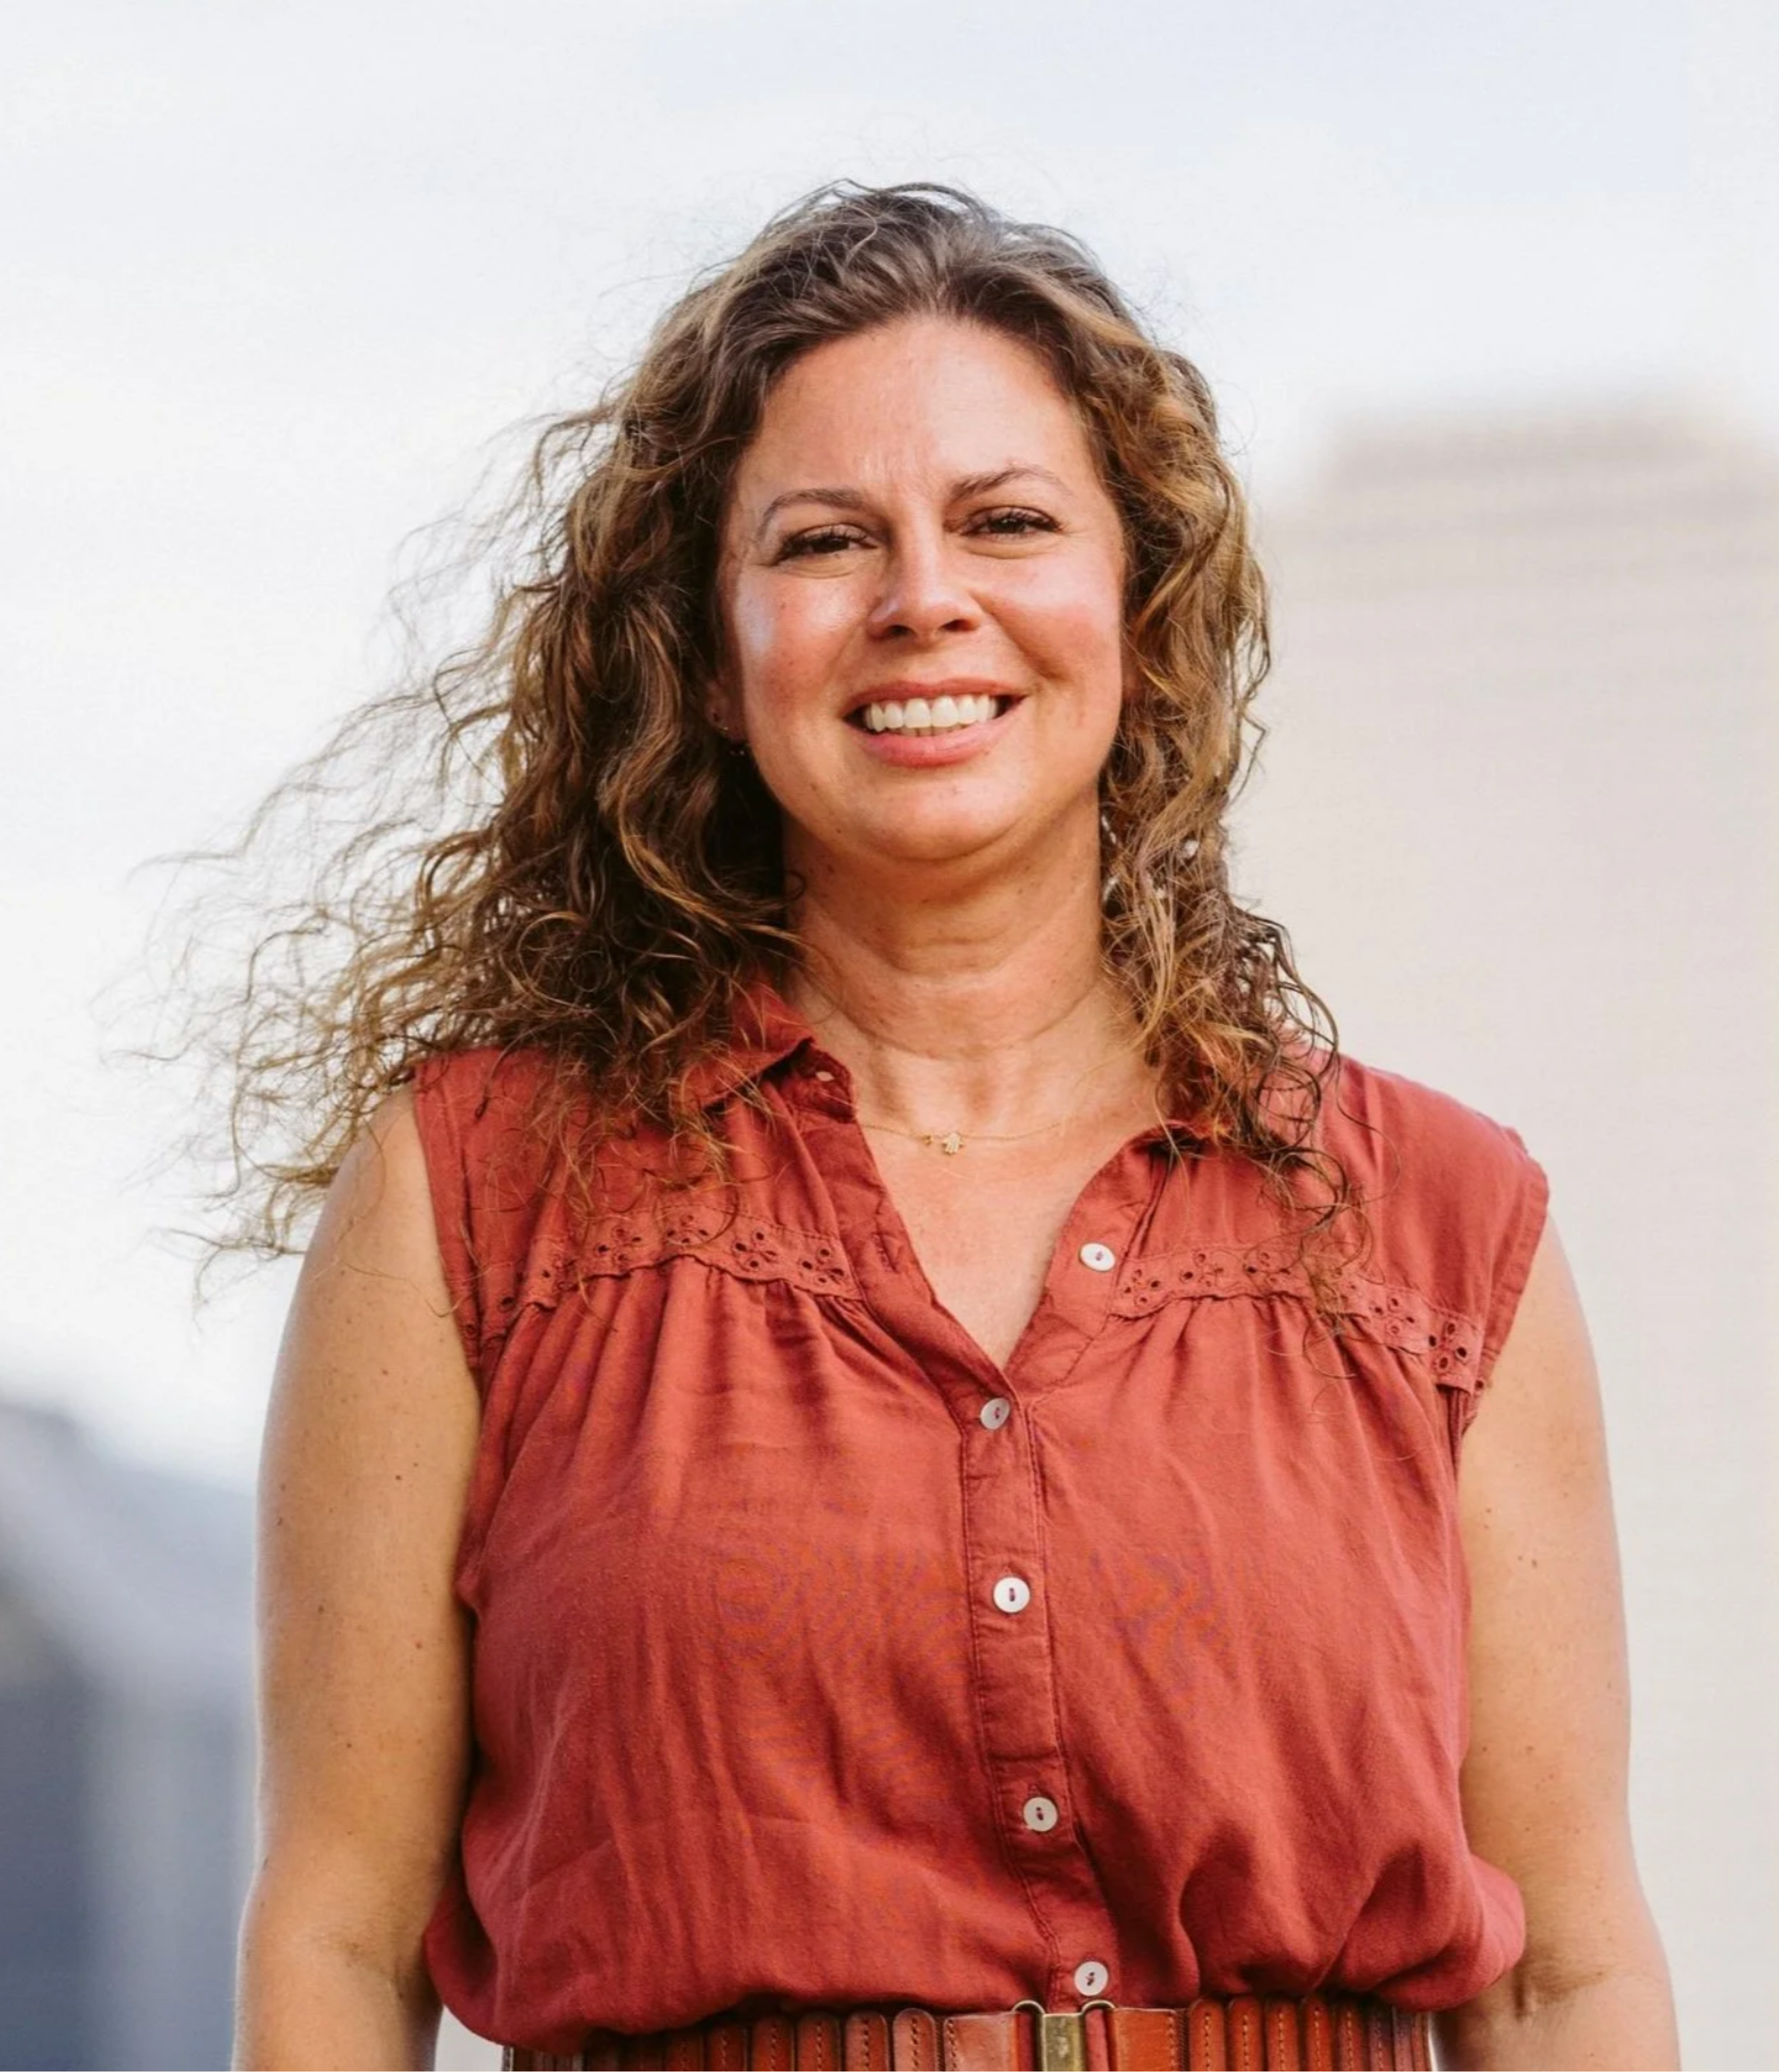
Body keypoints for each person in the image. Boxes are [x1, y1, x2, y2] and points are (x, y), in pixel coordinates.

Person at [230, 185, 1678, 2071]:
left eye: (1006, 520)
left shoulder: (1440, 1227)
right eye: (827, 539)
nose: (925, 595)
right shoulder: (473, 1197)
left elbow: (1557, 1970)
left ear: (1137, 616)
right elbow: (339, 1938)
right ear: (710, 647)